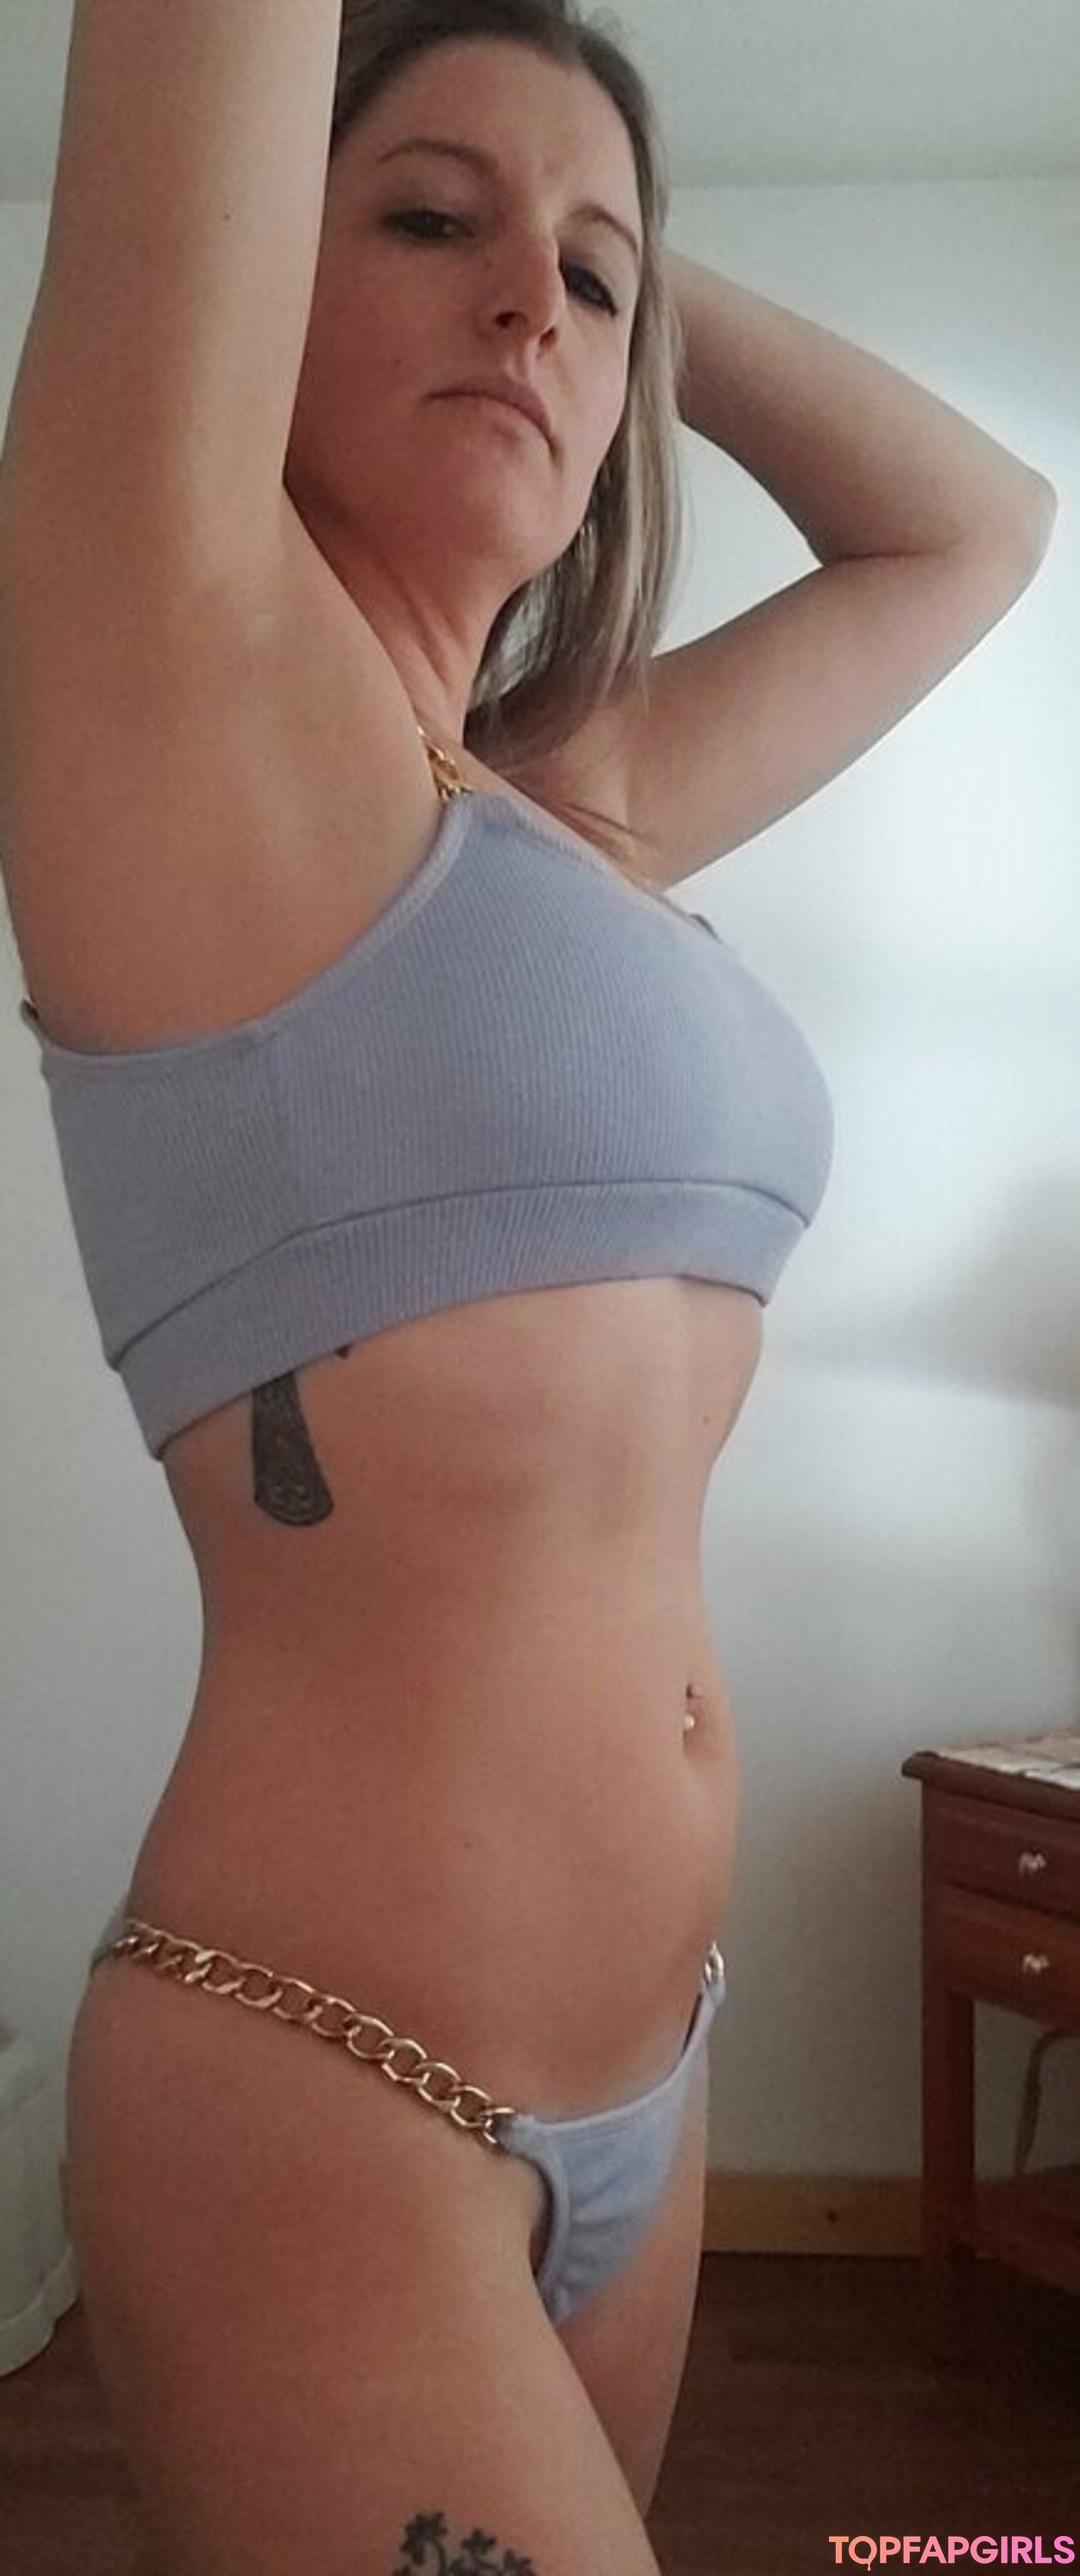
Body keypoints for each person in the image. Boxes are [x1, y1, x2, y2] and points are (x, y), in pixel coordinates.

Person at [0, 2, 1053, 2569]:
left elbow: (979, 527)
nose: (530, 307)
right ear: (256, 282)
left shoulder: (577, 808)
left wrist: (625, 271)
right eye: (429, 216)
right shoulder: (180, 665)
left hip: (652, 2067)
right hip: (326, 2076)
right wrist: (563, 244)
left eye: (592, 280)